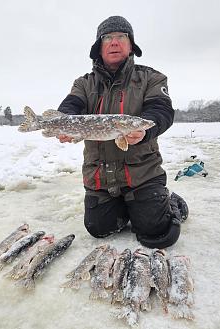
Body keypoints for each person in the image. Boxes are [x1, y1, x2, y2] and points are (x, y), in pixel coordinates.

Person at [57, 16, 188, 249]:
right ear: (99, 46)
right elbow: (70, 107)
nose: (114, 42)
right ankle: (128, 207)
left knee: (157, 233)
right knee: (99, 229)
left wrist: (145, 131)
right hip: (101, 176)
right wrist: (63, 124)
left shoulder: (151, 78)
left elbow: (161, 111)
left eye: (121, 37)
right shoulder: (84, 83)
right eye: (108, 38)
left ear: (130, 45)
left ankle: (170, 202)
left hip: (142, 174)